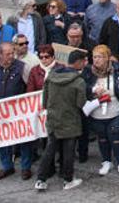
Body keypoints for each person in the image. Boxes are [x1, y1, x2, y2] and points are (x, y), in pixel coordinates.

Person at [33, 49, 87, 191]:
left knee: (49, 150)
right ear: (79, 62)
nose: (85, 64)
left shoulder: (51, 76)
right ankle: (67, 180)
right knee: (68, 151)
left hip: (53, 120)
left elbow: (44, 101)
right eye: (84, 61)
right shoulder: (79, 81)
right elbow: (81, 104)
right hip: (70, 121)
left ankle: (40, 180)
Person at [0, 42, 33, 180]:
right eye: (8, 54)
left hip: (19, 111)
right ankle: (7, 166)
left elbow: (31, 86)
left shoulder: (22, 67)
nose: (11, 56)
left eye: (12, 53)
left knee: (24, 139)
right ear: (0, 55)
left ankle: (26, 167)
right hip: (0, 113)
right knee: (3, 139)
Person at [81, 45, 119, 178]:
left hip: (115, 108)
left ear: (107, 58)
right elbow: (81, 86)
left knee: (116, 135)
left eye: (99, 57)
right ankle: (106, 161)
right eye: (94, 57)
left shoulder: (116, 67)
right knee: (102, 137)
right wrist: (92, 90)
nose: (96, 60)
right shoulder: (88, 71)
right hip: (97, 111)